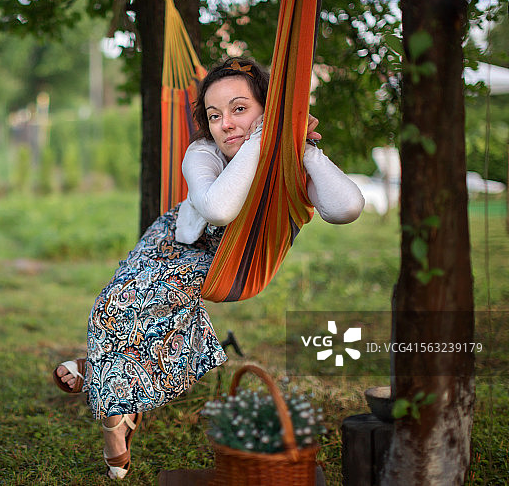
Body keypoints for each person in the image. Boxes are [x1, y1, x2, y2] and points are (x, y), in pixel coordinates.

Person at [53, 56, 365, 480]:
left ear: (269, 110)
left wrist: (302, 147)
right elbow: (218, 208)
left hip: (223, 260)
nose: (226, 124)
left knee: (122, 308)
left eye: (240, 109)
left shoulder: (291, 162)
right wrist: (259, 139)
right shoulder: (202, 152)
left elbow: (346, 208)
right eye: (215, 115)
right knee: (109, 306)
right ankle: (110, 389)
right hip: (173, 240)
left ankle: (108, 402)